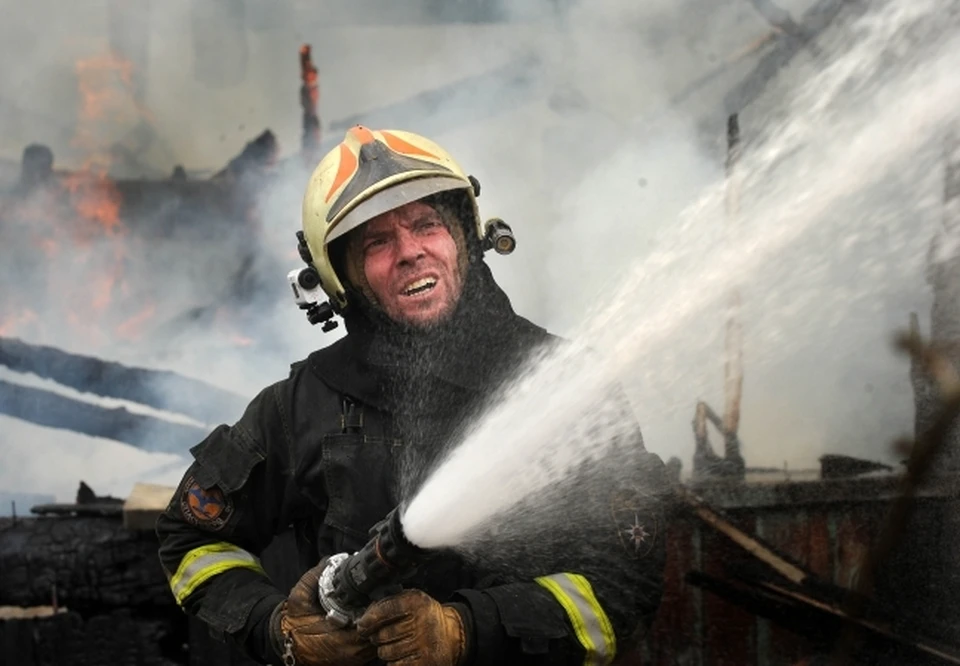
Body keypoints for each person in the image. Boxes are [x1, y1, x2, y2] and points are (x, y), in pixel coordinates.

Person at [157, 126, 670, 666]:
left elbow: (625, 585)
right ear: (340, 278)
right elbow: (190, 540)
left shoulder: (564, 386)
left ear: (467, 239)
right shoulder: (299, 406)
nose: (409, 252)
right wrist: (277, 628)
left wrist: (465, 632)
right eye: (376, 242)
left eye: (427, 225)